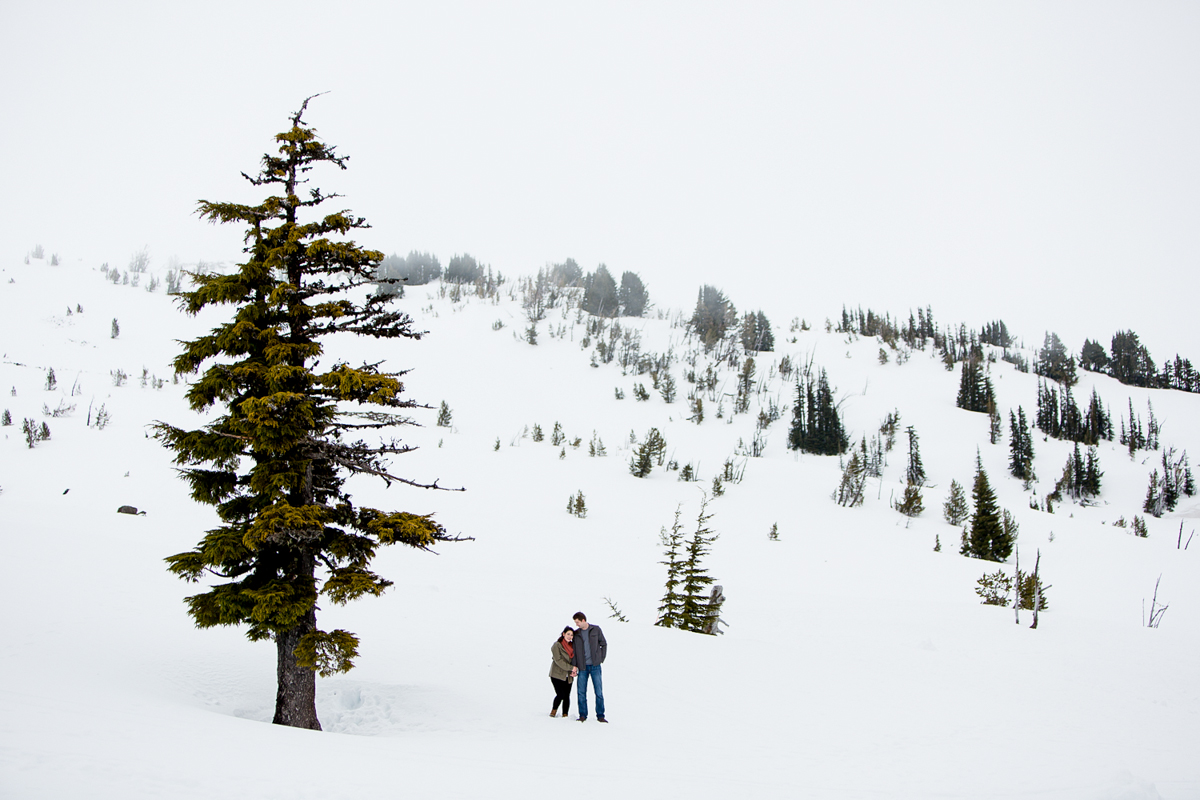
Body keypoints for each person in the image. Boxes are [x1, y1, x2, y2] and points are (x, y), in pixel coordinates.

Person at [570, 611, 607, 723]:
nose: (576, 624)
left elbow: (603, 644)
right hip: (583, 667)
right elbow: (575, 651)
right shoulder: (576, 634)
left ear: (583, 620)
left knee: (599, 692)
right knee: (581, 692)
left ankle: (600, 715)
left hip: (595, 666)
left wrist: (600, 658)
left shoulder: (595, 630)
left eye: (577, 622)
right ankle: (582, 715)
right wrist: (575, 666)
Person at [548, 626, 575, 718]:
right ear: (563, 634)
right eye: (568, 634)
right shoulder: (557, 645)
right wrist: (571, 668)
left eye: (571, 635)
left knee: (567, 695)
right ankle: (553, 711)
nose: (570, 636)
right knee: (560, 694)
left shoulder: (573, 646)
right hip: (557, 674)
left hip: (568, 675)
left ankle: (565, 714)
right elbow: (558, 660)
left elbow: (575, 660)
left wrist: (575, 670)